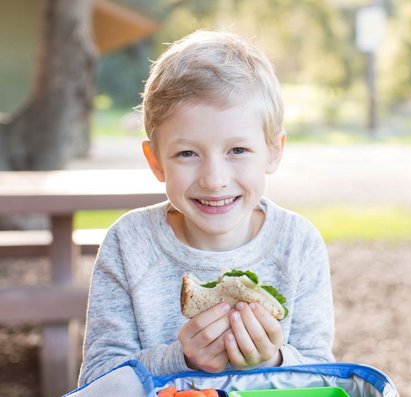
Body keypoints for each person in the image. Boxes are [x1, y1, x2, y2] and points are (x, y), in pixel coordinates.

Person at [78, 30, 335, 386]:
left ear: (274, 151)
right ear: (155, 161)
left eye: (237, 151)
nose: (214, 179)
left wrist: (274, 360)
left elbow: (324, 376)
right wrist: (180, 360)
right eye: (187, 153)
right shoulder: (129, 243)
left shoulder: (298, 245)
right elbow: (97, 379)